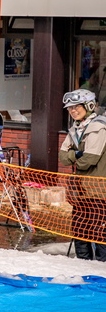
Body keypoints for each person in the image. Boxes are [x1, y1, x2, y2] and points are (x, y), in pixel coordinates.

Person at [59, 89, 106, 261]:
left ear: (89, 105)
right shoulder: (75, 128)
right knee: (79, 230)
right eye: (69, 108)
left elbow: (89, 160)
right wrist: (76, 155)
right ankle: (83, 264)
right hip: (81, 191)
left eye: (77, 106)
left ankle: (101, 269)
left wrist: (74, 155)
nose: (72, 111)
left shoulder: (98, 126)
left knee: (99, 231)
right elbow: (63, 158)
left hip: (98, 190)